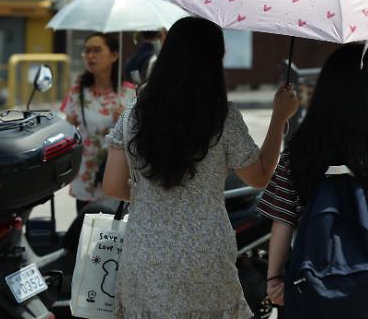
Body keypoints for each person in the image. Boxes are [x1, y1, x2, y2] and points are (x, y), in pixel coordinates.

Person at [102, 16, 299, 318]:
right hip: (204, 253)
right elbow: (260, 177)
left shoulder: (135, 113)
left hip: (145, 250)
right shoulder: (221, 117)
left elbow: (113, 185)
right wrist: (278, 119)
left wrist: (153, 197)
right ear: (214, 61)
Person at [258, 44, 368, 318]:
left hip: (306, 277)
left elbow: (282, 217)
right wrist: (363, 248)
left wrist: (273, 280)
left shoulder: (301, 149)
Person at [61, 33, 135, 212]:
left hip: (118, 177)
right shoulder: (78, 91)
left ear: (114, 55)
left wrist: (125, 120)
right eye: (86, 51)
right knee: (85, 234)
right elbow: (67, 132)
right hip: (87, 175)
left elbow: (140, 137)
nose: (90, 56)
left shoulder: (130, 93)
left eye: (96, 50)